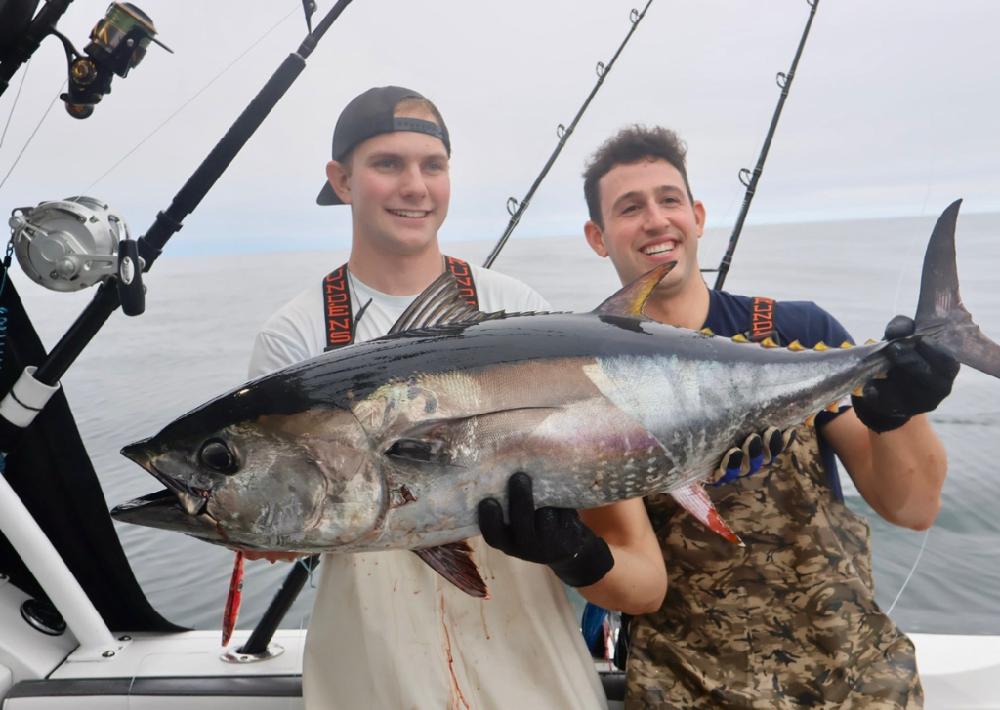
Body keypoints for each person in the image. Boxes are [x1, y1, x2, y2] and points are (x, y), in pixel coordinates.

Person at [247, 86, 662, 710]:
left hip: (531, 673)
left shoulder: (517, 308)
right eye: (387, 163)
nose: (415, 185)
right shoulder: (296, 335)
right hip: (375, 674)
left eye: (432, 165)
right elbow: (266, 530)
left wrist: (570, 548)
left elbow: (644, 580)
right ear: (341, 180)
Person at [573, 125, 958, 709]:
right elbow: (637, 578)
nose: (655, 220)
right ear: (597, 237)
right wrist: (563, 547)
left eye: (669, 200)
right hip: (689, 691)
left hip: (853, 684)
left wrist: (898, 411)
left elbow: (913, 506)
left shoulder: (794, 334)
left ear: (698, 216)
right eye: (630, 208)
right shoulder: (591, 375)